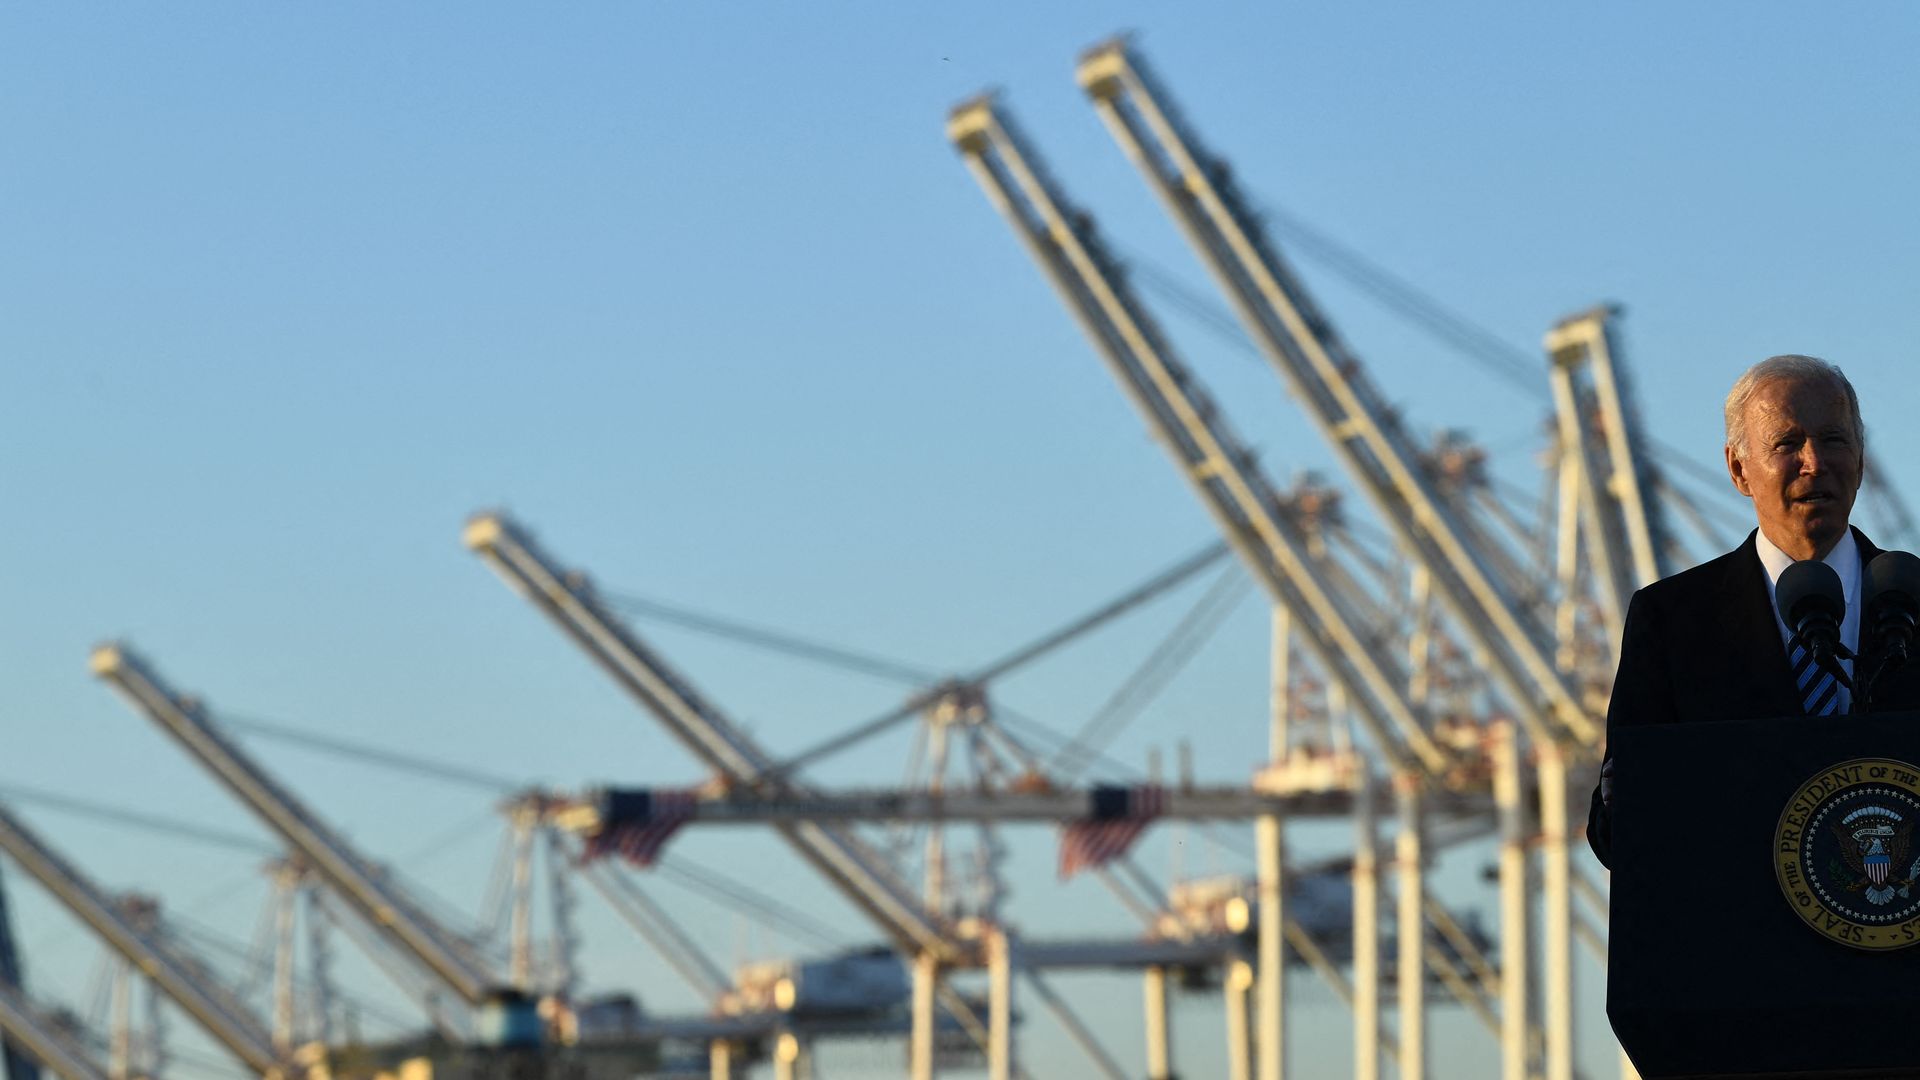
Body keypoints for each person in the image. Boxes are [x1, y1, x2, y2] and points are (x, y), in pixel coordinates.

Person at [1587, 355, 1920, 868]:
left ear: (1860, 455)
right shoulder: (1673, 620)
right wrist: (1626, 799)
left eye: (1834, 439)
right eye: (1787, 444)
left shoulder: (1912, 598)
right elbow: (1617, 835)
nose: (1815, 462)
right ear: (1739, 470)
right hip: (1742, 937)